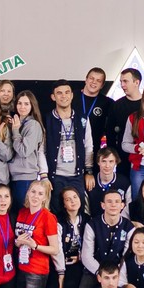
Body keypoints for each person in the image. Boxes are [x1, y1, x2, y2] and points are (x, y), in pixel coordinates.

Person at [48, 186, 89, 288]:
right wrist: (61, 272)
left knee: (72, 286)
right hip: (59, 262)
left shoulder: (87, 219)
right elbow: (57, 248)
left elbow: (90, 244)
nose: (73, 201)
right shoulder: (57, 220)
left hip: (78, 262)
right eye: (68, 199)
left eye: (75, 197)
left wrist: (80, 257)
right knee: (53, 287)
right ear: (63, 204)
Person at [46, 79, 95, 213]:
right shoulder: (47, 120)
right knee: (57, 212)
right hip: (55, 176)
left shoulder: (82, 119)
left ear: (72, 95)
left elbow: (89, 146)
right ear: (53, 97)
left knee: (78, 212)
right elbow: (42, 150)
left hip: (77, 175)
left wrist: (89, 171)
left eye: (67, 92)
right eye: (59, 93)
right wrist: (44, 176)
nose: (64, 96)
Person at [80, 188, 132, 288]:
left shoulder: (129, 227)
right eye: (109, 201)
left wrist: (115, 274)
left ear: (122, 205)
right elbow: (86, 256)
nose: (113, 205)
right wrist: (101, 273)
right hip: (95, 269)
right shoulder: (92, 225)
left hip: (118, 270)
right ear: (103, 205)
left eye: (117, 202)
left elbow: (126, 256)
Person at [104, 68, 143, 185]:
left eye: (125, 81)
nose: (122, 85)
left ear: (137, 82)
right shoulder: (117, 105)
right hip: (123, 158)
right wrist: (114, 156)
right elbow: (110, 134)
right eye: (121, 81)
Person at [8, 91, 46, 210]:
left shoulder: (33, 125)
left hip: (26, 177)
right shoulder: (17, 122)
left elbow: (24, 151)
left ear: (32, 106)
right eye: (19, 103)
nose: (22, 107)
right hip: (13, 176)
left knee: (23, 212)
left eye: (26, 104)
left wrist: (15, 131)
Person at [80, 67, 114, 157]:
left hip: (95, 150)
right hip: (72, 147)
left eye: (98, 81)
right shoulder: (72, 97)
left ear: (102, 85)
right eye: (91, 78)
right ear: (86, 80)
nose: (94, 82)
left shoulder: (107, 103)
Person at [86, 147, 130, 216]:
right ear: (98, 162)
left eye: (111, 161)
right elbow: (86, 210)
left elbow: (128, 207)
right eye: (104, 161)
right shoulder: (89, 181)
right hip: (94, 221)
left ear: (116, 162)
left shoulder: (124, 182)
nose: (107, 165)